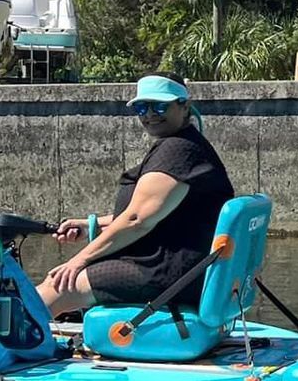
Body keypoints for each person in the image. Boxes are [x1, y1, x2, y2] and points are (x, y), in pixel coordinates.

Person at [37, 74, 234, 316]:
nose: (150, 114)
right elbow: (165, 213)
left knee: (56, 287)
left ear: (184, 107)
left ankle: (10, 349)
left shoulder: (178, 150)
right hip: (175, 267)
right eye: (142, 107)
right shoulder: (184, 144)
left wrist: (79, 260)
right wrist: (95, 224)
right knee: (55, 283)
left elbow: (136, 220)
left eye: (160, 106)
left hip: (164, 270)